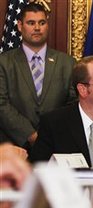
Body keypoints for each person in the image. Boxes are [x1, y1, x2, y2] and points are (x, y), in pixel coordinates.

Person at [0, 2, 76, 149]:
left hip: (56, 146)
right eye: (31, 23)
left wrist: (50, 134)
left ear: (47, 25)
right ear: (20, 26)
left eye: (42, 23)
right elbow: (1, 104)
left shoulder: (67, 63)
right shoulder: (3, 62)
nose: (37, 28)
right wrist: (30, 134)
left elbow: (73, 104)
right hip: (14, 147)